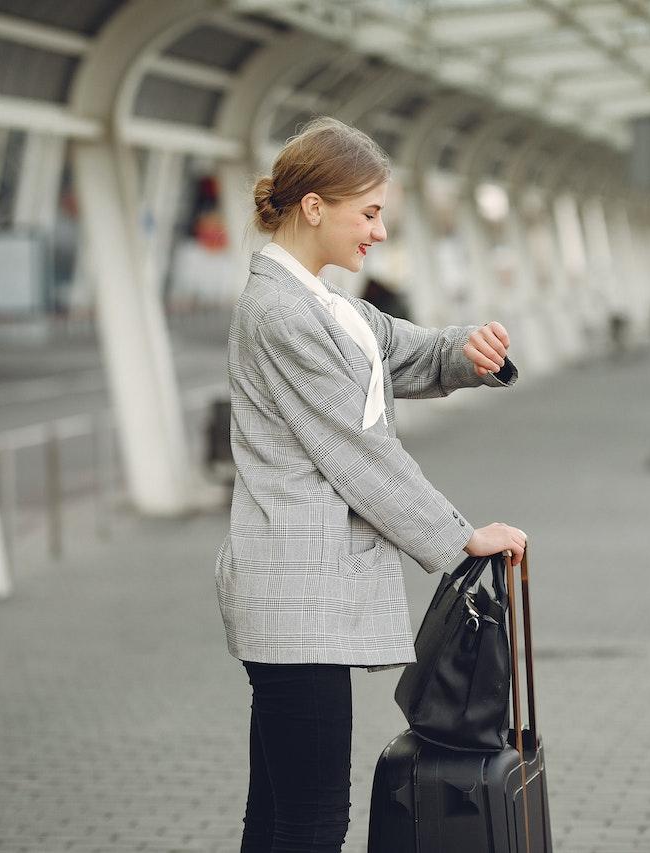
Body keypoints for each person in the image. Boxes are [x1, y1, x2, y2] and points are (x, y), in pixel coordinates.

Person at [214, 116, 528, 853]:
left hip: (300, 599)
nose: (380, 232)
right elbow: (357, 453)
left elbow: (407, 351)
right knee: (313, 821)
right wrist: (459, 537)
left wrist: (468, 352)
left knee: (282, 819)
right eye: (369, 213)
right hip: (295, 599)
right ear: (313, 206)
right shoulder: (281, 311)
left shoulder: (327, 305)